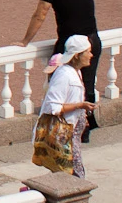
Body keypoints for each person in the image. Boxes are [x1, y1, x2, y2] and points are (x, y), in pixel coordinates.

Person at [15, 0, 102, 140]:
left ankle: (60, 129)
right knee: (87, 85)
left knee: (58, 85)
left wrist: (25, 40)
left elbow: (40, 14)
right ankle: (84, 129)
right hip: (92, 40)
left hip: (70, 45)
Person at [39, 34, 96, 178]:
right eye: (87, 52)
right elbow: (53, 108)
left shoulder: (75, 72)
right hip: (64, 136)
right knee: (74, 175)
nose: (91, 55)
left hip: (72, 135)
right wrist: (80, 105)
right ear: (76, 56)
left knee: (72, 173)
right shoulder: (64, 75)